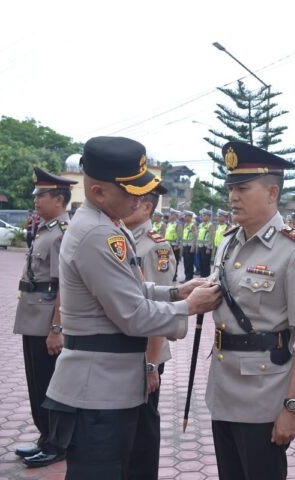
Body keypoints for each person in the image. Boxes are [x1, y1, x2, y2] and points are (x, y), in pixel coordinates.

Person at [43, 136, 221, 478]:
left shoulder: (105, 224)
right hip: (98, 393)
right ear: (98, 192)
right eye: (130, 190)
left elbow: (132, 289)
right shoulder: (97, 233)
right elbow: (132, 316)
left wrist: (176, 292)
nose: (139, 198)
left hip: (108, 387)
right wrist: (189, 307)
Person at [206, 141, 295, 480]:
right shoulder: (228, 241)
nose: (233, 197)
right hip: (223, 386)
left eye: (243, 188)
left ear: (272, 192)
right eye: (231, 188)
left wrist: (292, 406)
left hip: (264, 394)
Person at [13, 167, 77, 468]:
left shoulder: (63, 234)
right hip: (31, 316)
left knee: (52, 385)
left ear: (59, 199)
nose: (36, 200)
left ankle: (57, 444)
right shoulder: (45, 228)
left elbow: (65, 285)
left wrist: (56, 328)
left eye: (42, 195)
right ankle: (45, 437)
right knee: (37, 383)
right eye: (37, 195)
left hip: (46, 320)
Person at [122, 188, 176, 480]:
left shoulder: (155, 247)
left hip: (146, 352)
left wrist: (151, 364)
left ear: (146, 208)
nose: (127, 204)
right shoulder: (122, 238)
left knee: (142, 426)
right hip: (125, 349)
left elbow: (159, 308)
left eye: (134, 201)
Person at [164, 208, 182, 282]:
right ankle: (169, 275)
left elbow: (179, 235)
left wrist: (177, 245)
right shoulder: (169, 224)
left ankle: (174, 276)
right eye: (170, 214)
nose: (170, 216)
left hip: (174, 246)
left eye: (172, 214)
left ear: (176, 215)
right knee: (168, 261)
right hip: (168, 244)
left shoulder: (178, 224)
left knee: (174, 261)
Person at [197, 208, 215, 278]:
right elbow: (199, 236)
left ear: (208, 216)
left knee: (206, 263)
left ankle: (206, 277)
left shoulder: (210, 225)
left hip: (206, 247)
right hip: (201, 246)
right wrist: (198, 246)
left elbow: (211, 237)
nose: (202, 217)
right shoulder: (201, 225)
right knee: (201, 262)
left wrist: (209, 247)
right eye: (201, 215)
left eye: (204, 215)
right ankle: (202, 276)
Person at [181, 210, 197, 281]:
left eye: (186, 216)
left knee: (189, 263)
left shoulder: (192, 225)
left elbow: (195, 237)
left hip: (190, 246)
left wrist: (193, 247)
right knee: (185, 262)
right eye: (185, 216)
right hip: (185, 246)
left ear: (190, 217)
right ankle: (186, 277)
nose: (185, 218)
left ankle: (189, 277)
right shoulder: (185, 225)